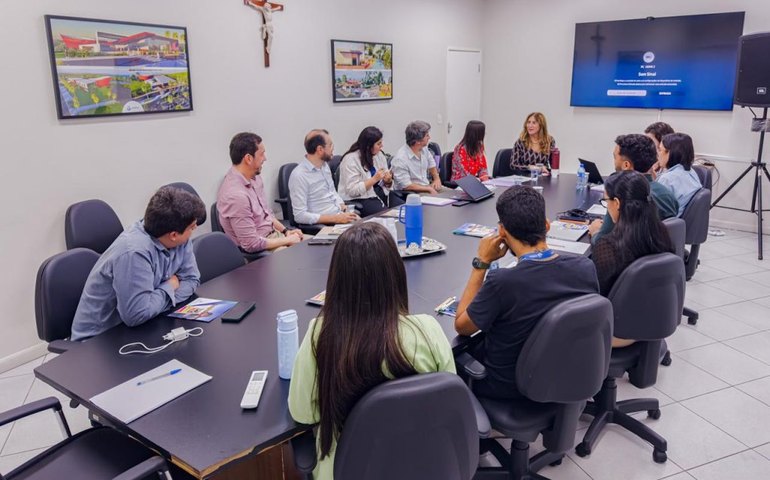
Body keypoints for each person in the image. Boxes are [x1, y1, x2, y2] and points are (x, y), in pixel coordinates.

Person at [288, 222, 455, 479]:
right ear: (396, 274)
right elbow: (447, 399)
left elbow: (303, 413)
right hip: (419, 466)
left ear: (337, 280)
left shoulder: (320, 334)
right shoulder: (427, 330)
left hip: (347, 470)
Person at [454, 186, 599, 399]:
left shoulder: (503, 282)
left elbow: (462, 326)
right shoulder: (585, 268)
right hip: (565, 376)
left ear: (502, 232)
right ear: (547, 225)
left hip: (510, 389)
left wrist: (481, 263)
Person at [70, 186, 206, 341]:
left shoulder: (179, 238)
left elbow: (192, 279)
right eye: (192, 227)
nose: (194, 229)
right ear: (173, 235)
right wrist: (170, 286)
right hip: (99, 340)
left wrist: (154, 303)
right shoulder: (134, 252)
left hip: (145, 324)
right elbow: (137, 314)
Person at [592, 170, 675, 347]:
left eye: (606, 201)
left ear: (617, 203)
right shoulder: (661, 234)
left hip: (618, 333)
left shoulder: (609, 246)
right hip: (652, 323)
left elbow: (596, 298)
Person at [217, 132, 303, 253]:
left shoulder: (255, 178)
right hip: (261, 250)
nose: (265, 158)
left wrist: (286, 231)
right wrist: (287, 240)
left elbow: (267, 215)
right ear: (248, 158)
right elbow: (251, 244)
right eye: (262, 154)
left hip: (275, 236)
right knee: (306, 257)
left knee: (321, 245)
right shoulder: (236, 196)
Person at [588, 134, 679, 244]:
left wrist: (595, 231)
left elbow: (601, 242)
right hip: (660, 251)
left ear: (626, 165)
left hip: (628, 252)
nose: (614, 162)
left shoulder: (623, 196)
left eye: (615, 157)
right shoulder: (668, 194)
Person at [289, 129, 359, 226]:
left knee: (372, 228)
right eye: (330, 145)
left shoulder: (325, 166)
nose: (333, 148)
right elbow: (300, 216)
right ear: (320, 150)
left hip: (340, 216)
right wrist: (335, 219)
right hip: (325, 225)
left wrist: (342, 206)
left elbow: (332, 192)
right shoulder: (299, 175)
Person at [337, 126, 393, 217]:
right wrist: (374, 179)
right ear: (368, 146)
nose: (382, 146)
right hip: (359, 198)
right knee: (387, 216)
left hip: (378, 193)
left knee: (399, 208)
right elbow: (352, 190)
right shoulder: (350, 159)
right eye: (378, 144)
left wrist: (388, 181)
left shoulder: (379, 155)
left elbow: (386, 181)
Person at [657, 133, 702, 217]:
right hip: (679, 222)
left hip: (666, 222)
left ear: (670, 153)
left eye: (660, 150)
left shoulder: (667, 179)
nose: (657, 154)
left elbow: (655, 209)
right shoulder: (691, 172)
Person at [390, 120, 442, 193]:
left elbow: (431, 164)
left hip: (426, 186)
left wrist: (437, 179)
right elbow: (406, 185)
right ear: (418, 141)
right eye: (427, 135)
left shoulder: (424, 148)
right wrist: (428, 189)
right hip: (411, 192)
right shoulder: (400, 159)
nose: (429, 137)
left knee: (454, 195)